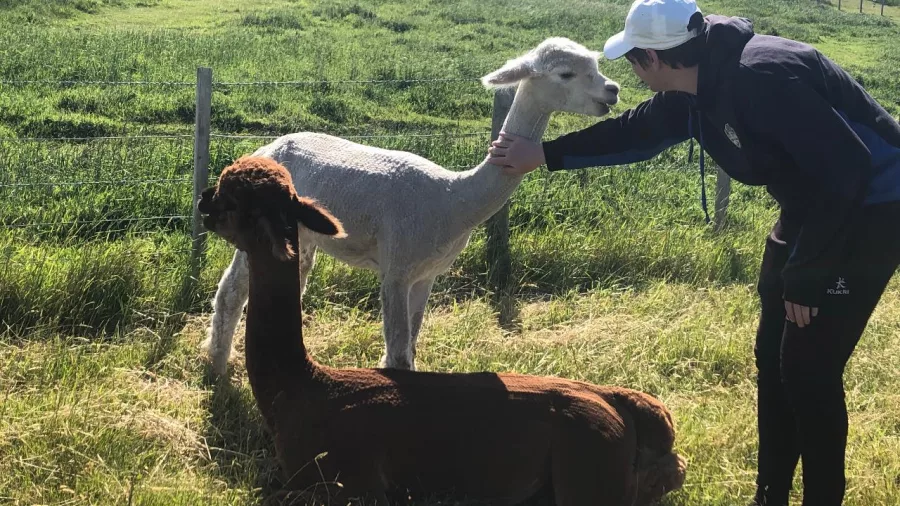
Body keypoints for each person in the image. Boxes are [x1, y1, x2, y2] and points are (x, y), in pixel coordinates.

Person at [486, 1, 900, 505]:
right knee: (772, 359)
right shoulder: (697, 88)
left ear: (656, 60)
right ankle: (769, 495)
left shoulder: (764, 80)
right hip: (813, 202)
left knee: (809, 369)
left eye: (634, 60)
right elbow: (637, 131)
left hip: (872, 208)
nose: (633, 73)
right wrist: (546, 155)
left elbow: (849, 169)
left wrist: (810, 274)